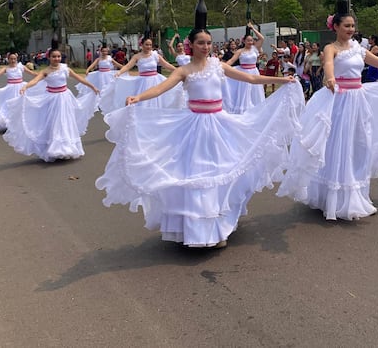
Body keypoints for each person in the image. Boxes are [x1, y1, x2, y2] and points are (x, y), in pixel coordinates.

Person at [96, 27, 304, 249]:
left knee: (221, 171)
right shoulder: (184, 70)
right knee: (196, 174)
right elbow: (161, 89)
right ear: (191, 46)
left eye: (208, 43)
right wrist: (139, 96)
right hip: (194, 126)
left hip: (220, 124)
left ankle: (218, 225)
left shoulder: (218, 66)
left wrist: (282, 81)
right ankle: (196, 230)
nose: (206, 47)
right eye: (201, 43)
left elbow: (250, 78)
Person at [277, 12, 378, 220]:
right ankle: (331, 197)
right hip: (339, 101)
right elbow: (329, 65)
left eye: (352, 26)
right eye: (347, 25)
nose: (350, 29)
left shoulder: (359, 49)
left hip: (358, 100)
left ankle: (353, 195)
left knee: (359, 145)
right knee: (337, 145)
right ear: (336, 27)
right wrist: (330, 78)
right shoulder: (331, 48)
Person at [3, 48, 100, 162]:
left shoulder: (65, 69)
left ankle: (67, 148)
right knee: (53, 122)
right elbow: (35, 81)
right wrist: (25, 86)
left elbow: (80, 78)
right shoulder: (46, 71)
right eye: (54, 56)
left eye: (58, 56)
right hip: (51, 99)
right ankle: (54, 148)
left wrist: (92, 86)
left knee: (64, 121)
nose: (56, 59)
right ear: (49, 57)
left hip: (64, 98)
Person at [100, 37, 179, 113]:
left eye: (150, 45)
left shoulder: (155, 55)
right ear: (142, 45)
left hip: (155, 81)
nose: (148, 47)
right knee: (143, 102)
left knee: (157, 99)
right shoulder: (137, 56)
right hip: (143, 82)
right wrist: (119, 72)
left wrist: (177, 71)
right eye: (146, 44)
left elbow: (166, 65)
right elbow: (128, 66)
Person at [0, 52, 39, 131]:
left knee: (22, 105)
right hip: (10, 89)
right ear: (8, 59)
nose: (13, 60)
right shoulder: (6, 69)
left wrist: (41, 76)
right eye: (11, 59)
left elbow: (32, 73)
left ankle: (22, 124)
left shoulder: (21, 67)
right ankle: (10, 123)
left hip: (21, 88)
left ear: (17, 59)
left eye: (14, 59)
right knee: (9, 106)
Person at [222, 23, 266, 114]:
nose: (250, 42)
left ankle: (257, 109)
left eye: (251, 40)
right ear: (244, 41)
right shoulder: (240, 51)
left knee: (255, 91)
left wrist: (253, 29)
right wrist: (223, 68)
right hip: (244, 72)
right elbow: (231, 61)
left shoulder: (255, 48)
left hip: (254, 71)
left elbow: (262, 38)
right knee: (244, 92)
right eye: (248, 40)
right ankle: (245, 110)